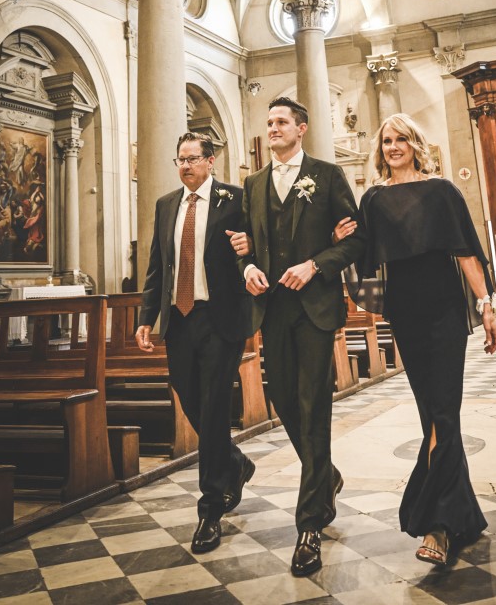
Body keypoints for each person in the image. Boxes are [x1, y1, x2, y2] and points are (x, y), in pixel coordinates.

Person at [341, 113, 496, 567]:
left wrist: (486, 305)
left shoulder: (442, 191)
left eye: (401, 139)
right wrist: (340, 237)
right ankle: (463, 515)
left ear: (415, 144)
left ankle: (436, 524)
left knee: (444, 413)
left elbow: (467, 252)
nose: (393, 147)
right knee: (431, 413)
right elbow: (360, 252)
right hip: (405, 313)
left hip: (447, 310)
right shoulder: (372, 199)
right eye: (387, 140)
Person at [228, 96, 365, 577]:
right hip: (272, 311)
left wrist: (315, 264)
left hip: (314, 310)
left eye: (281, 122)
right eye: (268, 123)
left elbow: (355, 238)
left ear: (301, 128)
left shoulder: (326, 177)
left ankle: (309, 525)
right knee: (283, 399)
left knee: (313, 406)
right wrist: (246, 267)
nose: (273, 129)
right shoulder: (253, 184)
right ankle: (325, 474)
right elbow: (241, 243)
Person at [136, 133, 255, 554]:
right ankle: (235, 463)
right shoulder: (167, 204)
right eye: (179, 159)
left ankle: (210, 507)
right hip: (179, 321)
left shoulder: (235, 199)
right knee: (189, 396)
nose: (185, 166)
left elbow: (253, 251)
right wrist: (146, 318)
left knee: (214, 402)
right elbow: (157, 265)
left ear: (211, 161)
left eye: (192, 159)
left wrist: (252, 252)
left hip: (219, 318)